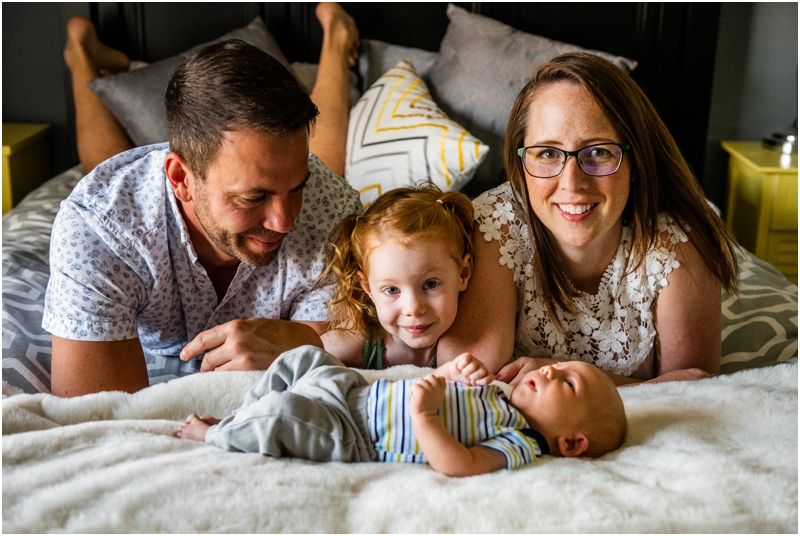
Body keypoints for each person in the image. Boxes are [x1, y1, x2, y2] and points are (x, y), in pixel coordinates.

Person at [44, 5, 363, 397]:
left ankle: (336, 35)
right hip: (142, 200)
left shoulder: (332, 210)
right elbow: (97, 419)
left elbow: (354, 336)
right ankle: (81, 59)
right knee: (99, 163)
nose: (284, 221)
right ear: (180, 179)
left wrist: (305, 339)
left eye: (296, 188)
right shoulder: (100, 227)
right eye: (254, 196)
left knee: (327, 162)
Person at [437, 52, 740, 386]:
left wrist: (568, 378)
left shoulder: (679, 243)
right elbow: (464, 379)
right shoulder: (494, 228)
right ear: (520, 162)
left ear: (635, 159)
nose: (572, 183)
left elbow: (697, 384)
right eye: (548, 153)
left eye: (598, 151)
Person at [177, 345, 627, 477]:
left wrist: (426, 417)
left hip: (352, 433)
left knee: (284, 414)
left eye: (567, 382)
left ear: (570, 442)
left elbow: (459, 464)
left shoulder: (521, 442)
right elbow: (442, 380)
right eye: (558, 367)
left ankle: (212, 437)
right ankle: (240, 418)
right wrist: (454, 368)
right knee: (302, 358)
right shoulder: (497, 393)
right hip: (350, 389)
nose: (549, 372)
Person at [320, 185, 474, 369]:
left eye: (431, 284)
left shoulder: (477, 343)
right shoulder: (347, 345)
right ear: (367, 287)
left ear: (463, 274)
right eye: (392, 290)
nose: (413, 308)